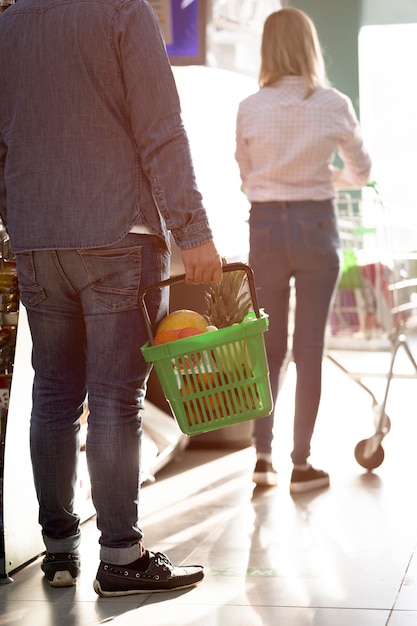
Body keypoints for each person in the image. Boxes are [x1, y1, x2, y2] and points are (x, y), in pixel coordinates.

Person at [0, 0, 222, 596]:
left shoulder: (8, 25)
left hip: (37, 239)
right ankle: (122, 556)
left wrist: (19, 221)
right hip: (116, 233)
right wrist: (194, 232)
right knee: (114, 400)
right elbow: (160, 130)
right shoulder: (123, 12)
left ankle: (58, 551)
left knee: (52, 396)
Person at [235, 8, 372, 493]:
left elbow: (247, 176)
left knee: (267, 347)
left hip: (267, 228)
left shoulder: (251, 107)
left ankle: (263, 459)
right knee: (309, 348)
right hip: (316, 225)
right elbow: (361, 171)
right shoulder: (333, 103)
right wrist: (329, 175)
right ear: (311, 47)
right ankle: (301, 465)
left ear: (267, 48)